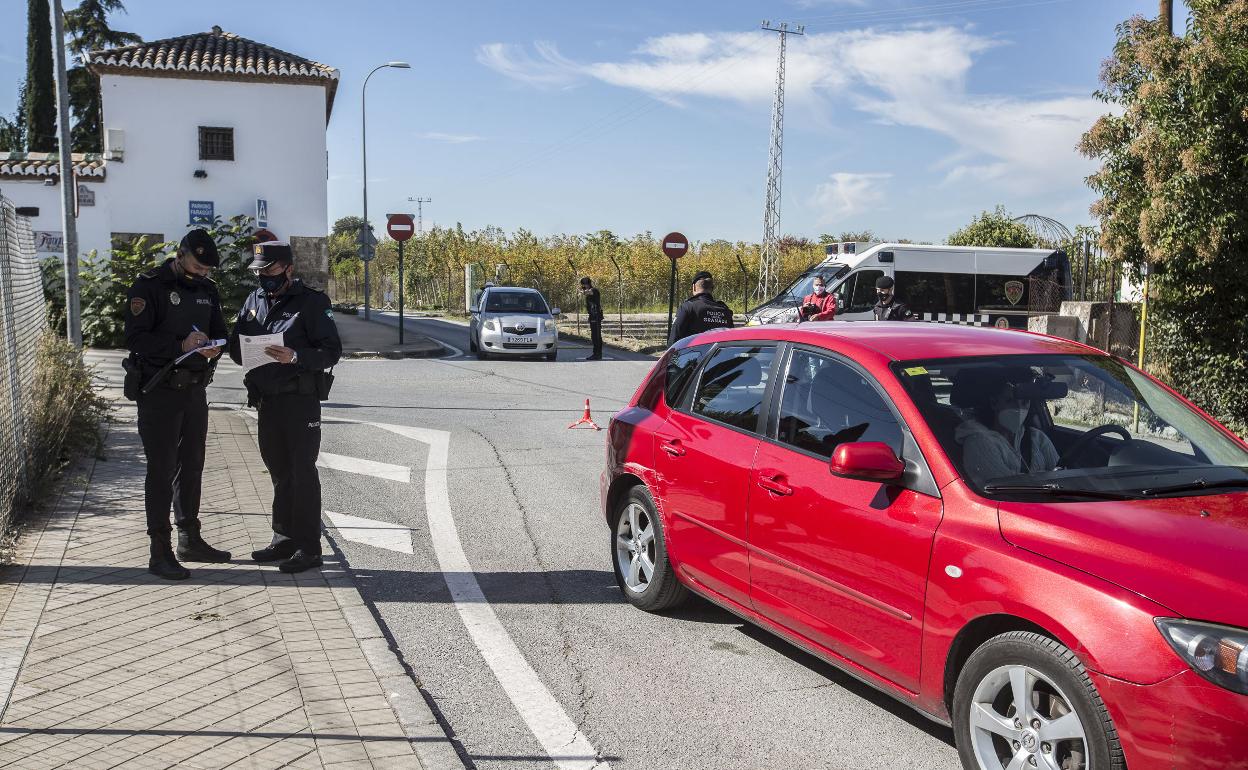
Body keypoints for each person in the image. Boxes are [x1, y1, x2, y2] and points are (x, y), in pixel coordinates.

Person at [124, 228, 232, 580]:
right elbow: (136, 338)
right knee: (161, 469)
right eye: (199, 266)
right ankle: (160, 550)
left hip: (194, 391)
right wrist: (180, 345)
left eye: (207, 269)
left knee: (192, 465)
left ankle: (190, 539)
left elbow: (221, 330)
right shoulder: (150, 286)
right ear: (182, 254)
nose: (203, 273)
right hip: (159, 391)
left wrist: (215, 345)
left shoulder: (207, 290)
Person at [228, 242, 342, 574]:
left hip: (300, 400)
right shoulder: (253, 301)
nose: (263, 276)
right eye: (259, 271)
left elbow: (331, 351)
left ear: (288, 269)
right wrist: (241, 350)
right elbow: (238, 345)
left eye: (270, 270)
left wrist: (295, 356)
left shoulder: (312, 303)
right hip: (267, 400)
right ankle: (284, 538)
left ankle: (309, 547)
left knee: (302, 472)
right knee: (279, 471)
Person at [954, 372, 1059, 487]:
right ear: (994, 403)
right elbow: (1008, 489)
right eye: (1010, 401)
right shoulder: (978, 442)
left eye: (1025, 402)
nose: (1019, 408)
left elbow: (1061, 475)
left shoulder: (1037, 437)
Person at [669, 271, 734, 345]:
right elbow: (731, 340)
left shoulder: (687, 307)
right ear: (712, 288)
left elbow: (674, 340)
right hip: (720, 356)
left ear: (693, 287)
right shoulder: (725, 310)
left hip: (694, 355)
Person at [579, 277, 604, 360]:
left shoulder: (594, 290)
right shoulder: (588, 291)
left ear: (587, 284)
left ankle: (597, 354)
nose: (583, 286)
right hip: (592, 315)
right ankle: (596, 353)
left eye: (584, 284)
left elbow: (589, 292)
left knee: (596, 336)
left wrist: (582, 291)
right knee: (594, 336)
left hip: (596, 315)